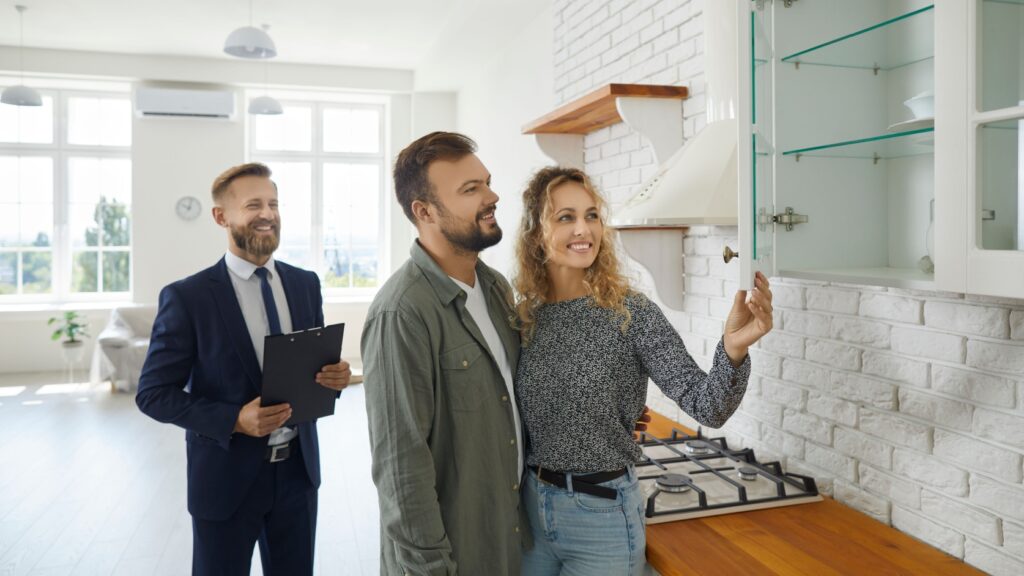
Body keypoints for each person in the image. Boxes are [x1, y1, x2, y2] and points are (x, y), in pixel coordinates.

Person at [512, 166, 774, 576]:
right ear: (535, 233)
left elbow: (706, 405)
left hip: (601, 518)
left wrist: (733, 348)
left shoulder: (631, 313)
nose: (584, 229)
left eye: (592, 215)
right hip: (530, 510)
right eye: (566, 217)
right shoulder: (525, 317)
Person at [135, 162, 352, 576]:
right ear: (222, 217)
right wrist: (233, 419)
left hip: (298, 476)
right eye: (254, 205)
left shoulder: (305, 284)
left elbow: (311, 370)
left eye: (273, 203)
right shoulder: (188, 297)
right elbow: (152, 394)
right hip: (224, 481)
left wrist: (335, 380)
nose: (267, 213)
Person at [361, 132, 526, 575]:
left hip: (505, 541)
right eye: (471, 190)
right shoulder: (401, 313)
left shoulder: (495, 289)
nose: (492, 197)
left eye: (486, 183)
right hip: (450, 559)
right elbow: (400, 468)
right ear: (424, 211)